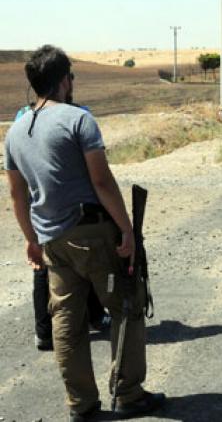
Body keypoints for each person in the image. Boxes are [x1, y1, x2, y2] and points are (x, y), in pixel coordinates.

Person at [4, 45, 164, 420]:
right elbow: (102, 181)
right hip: (92, 233)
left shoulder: (14, 132)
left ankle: (81, 403)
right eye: (71, 77)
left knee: (66, 323)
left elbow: (15, 192)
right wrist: (126, 228)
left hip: (52, 242)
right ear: (63, 81)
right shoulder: (78, 120)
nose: (72, 83)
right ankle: (128, 394)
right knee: (127, 307)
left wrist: (31, 239)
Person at [14, 103, 110, 351]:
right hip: (77, 212)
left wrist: (28, 233)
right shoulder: (79, 114)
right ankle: (93, 317)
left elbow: (18, 189)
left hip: (42, 215)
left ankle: (46, 330)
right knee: (85, 266)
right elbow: (97, 172)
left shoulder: (23, 118)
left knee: (45, 271)